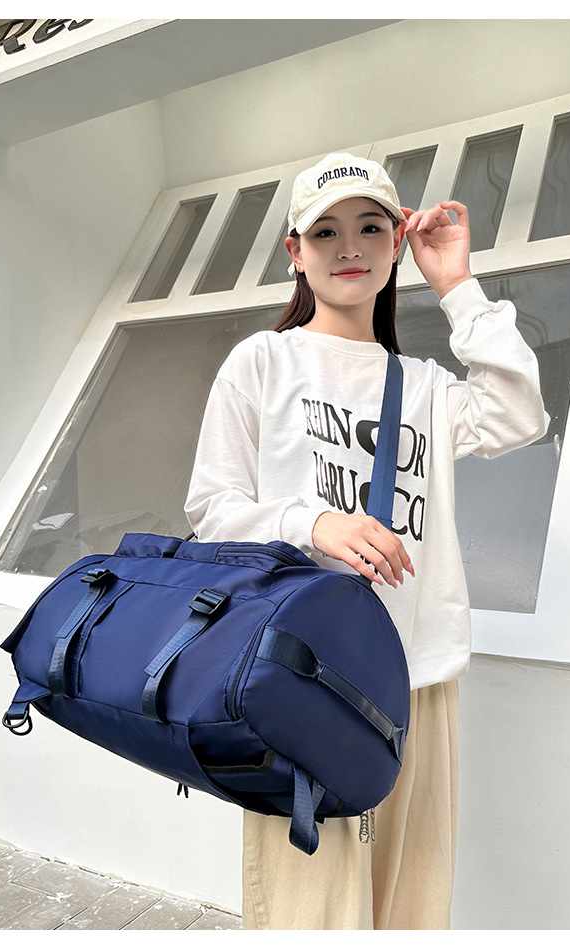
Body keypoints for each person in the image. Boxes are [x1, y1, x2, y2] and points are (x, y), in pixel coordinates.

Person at [185, 152, 548, 930]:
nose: (349, 247)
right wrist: (310, 522)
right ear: (295, 251)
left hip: (418, 675)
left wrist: (457, 285)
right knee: (310, 913)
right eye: (325, 231)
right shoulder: (262, 362)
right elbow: (212, 509)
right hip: (298, 674)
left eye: (371, 228)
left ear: (396, 243)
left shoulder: (423, 386)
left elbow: (521, 414)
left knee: (413, 907)